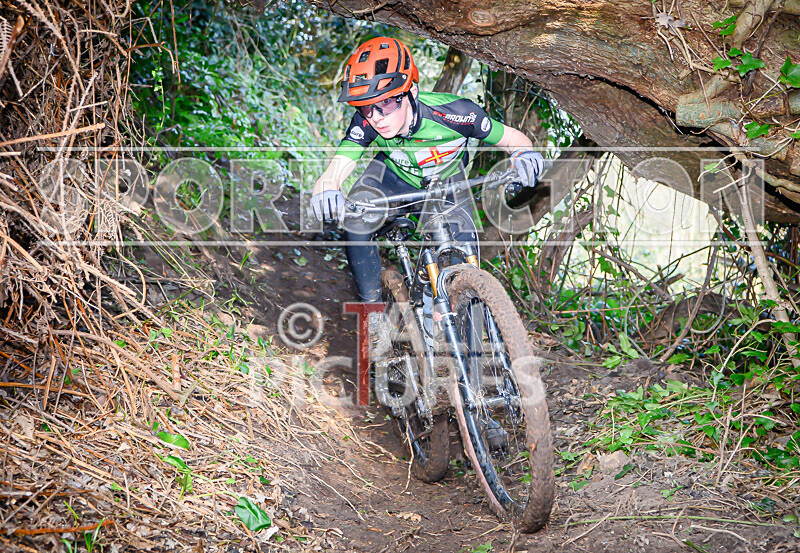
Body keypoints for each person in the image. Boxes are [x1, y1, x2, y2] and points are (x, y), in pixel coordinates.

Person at [310, 36, 547, 305]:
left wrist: (524, 154)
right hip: (393, 179)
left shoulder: (456, 114)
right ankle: (372, 314)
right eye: (365, 107)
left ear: (411, 93)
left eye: (386, 103)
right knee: (355, 227)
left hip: (447, 183)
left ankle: (461, 324)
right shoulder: (364, 123)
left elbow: (514, 139)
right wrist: (327, 189)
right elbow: (337, 167)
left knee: (468, 262)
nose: (376, 117)